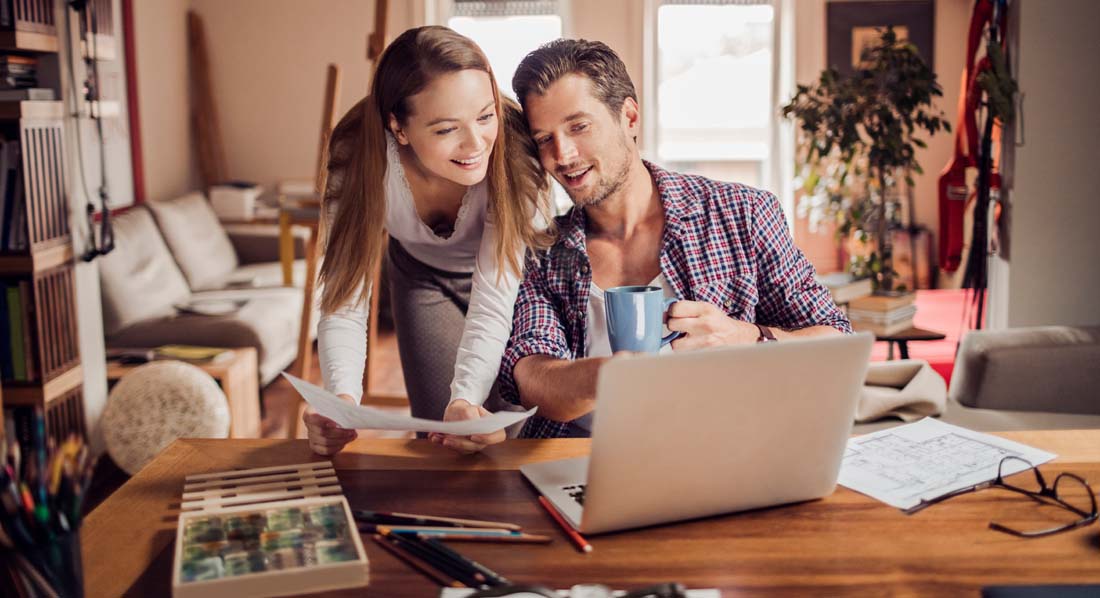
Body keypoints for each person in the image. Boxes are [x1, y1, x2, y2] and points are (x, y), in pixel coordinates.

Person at [497, 39, 852, 438]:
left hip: (724, 454)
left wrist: (748, 338)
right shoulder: (542, 253)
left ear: (629, 117)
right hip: (583, 463)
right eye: (545, 138)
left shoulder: (742, 213)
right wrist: (612, 374)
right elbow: (531, 376)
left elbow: (836, 340)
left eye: (579, 126)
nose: (562, 155)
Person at [304, 26, 554, 455]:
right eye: (445, 130)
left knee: (511, 440)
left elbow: (495, 293)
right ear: (398, 127)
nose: (476, 144)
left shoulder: (515, 154)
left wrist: (468, 394)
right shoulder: (356, 156)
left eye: (485, 115)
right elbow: (345, 293)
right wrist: (340, 400)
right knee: (446, 440)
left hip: (517, 282)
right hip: (422, 276)